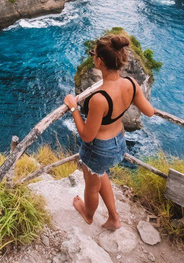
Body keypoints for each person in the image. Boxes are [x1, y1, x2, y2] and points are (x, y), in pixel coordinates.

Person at [63, 34, 155, 229]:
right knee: (101, 173)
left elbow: (87, 135)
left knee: (91, 187)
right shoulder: (131, 83)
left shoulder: (99, 98)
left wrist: (73, 108)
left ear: (100, 61)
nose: (92, 57)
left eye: (93, 54)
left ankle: (88, 214)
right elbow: (149, 111)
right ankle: (114, 218)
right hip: (119, 142)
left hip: (99, 148)